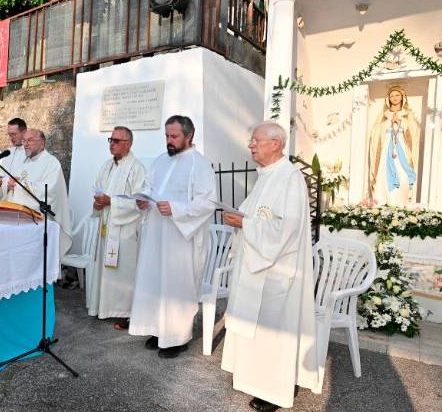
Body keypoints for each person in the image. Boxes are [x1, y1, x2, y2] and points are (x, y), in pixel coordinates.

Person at [220, 121, 320, 412]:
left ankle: (273, 390)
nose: (251, 145)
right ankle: (254, 379)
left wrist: (244, 223)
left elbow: (286, 229)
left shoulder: (289, 177)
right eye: (252, 140)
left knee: (271, 331)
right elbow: (259, 217)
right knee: (256, 327)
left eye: (256, 140)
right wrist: (243, 220)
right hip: (256, 265)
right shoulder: (266, 175)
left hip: (277, 271)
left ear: (276, 144)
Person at [128, 115, 216, 359]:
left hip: (181, 240)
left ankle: (177, 338)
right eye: (167, 135)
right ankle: (157, 330)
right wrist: (142, 200)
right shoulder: (159, 162)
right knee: (154, 281)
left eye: (174, 136)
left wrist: (177, 209)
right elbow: (149, 187)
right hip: (156, 234)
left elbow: (207, 202)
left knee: (176, 286)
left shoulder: (200, 165)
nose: (169, 140)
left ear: (189, 136)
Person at [87, 126, 146, 329]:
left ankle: (124, 312)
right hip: (106, 225)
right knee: (104, 270)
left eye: (116, 140)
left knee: (123, 271)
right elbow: (97, 189)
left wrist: (112, 202)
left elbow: (140, 202)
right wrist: (97, 203)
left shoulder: (137, 169)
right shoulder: (106, 166)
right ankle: (102, 307)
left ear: (128, 144)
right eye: (110, 139)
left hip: (125, 230)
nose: (112, 143)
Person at [5, 129, 72, 258]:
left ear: (42, 143)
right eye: (24, 141)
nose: (26, 144)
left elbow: (49, 192)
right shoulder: (22, 162)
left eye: (29, 140)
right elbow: (12, 183)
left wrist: (20, 186)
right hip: (17, 218)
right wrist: (6, 185)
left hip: (39, 221)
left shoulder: (51, 163)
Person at [367, 85, 421, 206]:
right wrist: (388, 123)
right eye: (392, 95)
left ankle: (400, 202)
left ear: (402, 97)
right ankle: (383, 202)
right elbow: (376, 131)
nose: (395, 98)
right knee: (383, 175)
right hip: (386, 149)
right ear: (388, 99)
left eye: (397, 95)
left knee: (403, 176)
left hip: (402, 148)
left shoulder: (407, 114)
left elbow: (415, 130)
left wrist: (400, 123)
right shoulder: (384, 115)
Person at [0, 118, 28, 199]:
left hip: (22, 201)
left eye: (14, 134)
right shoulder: (8, 153)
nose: (11, 138)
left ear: (24, 132)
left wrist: (16, 185)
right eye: (10, 135)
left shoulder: (31, 153)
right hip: (7, 200)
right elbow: (3, 178)